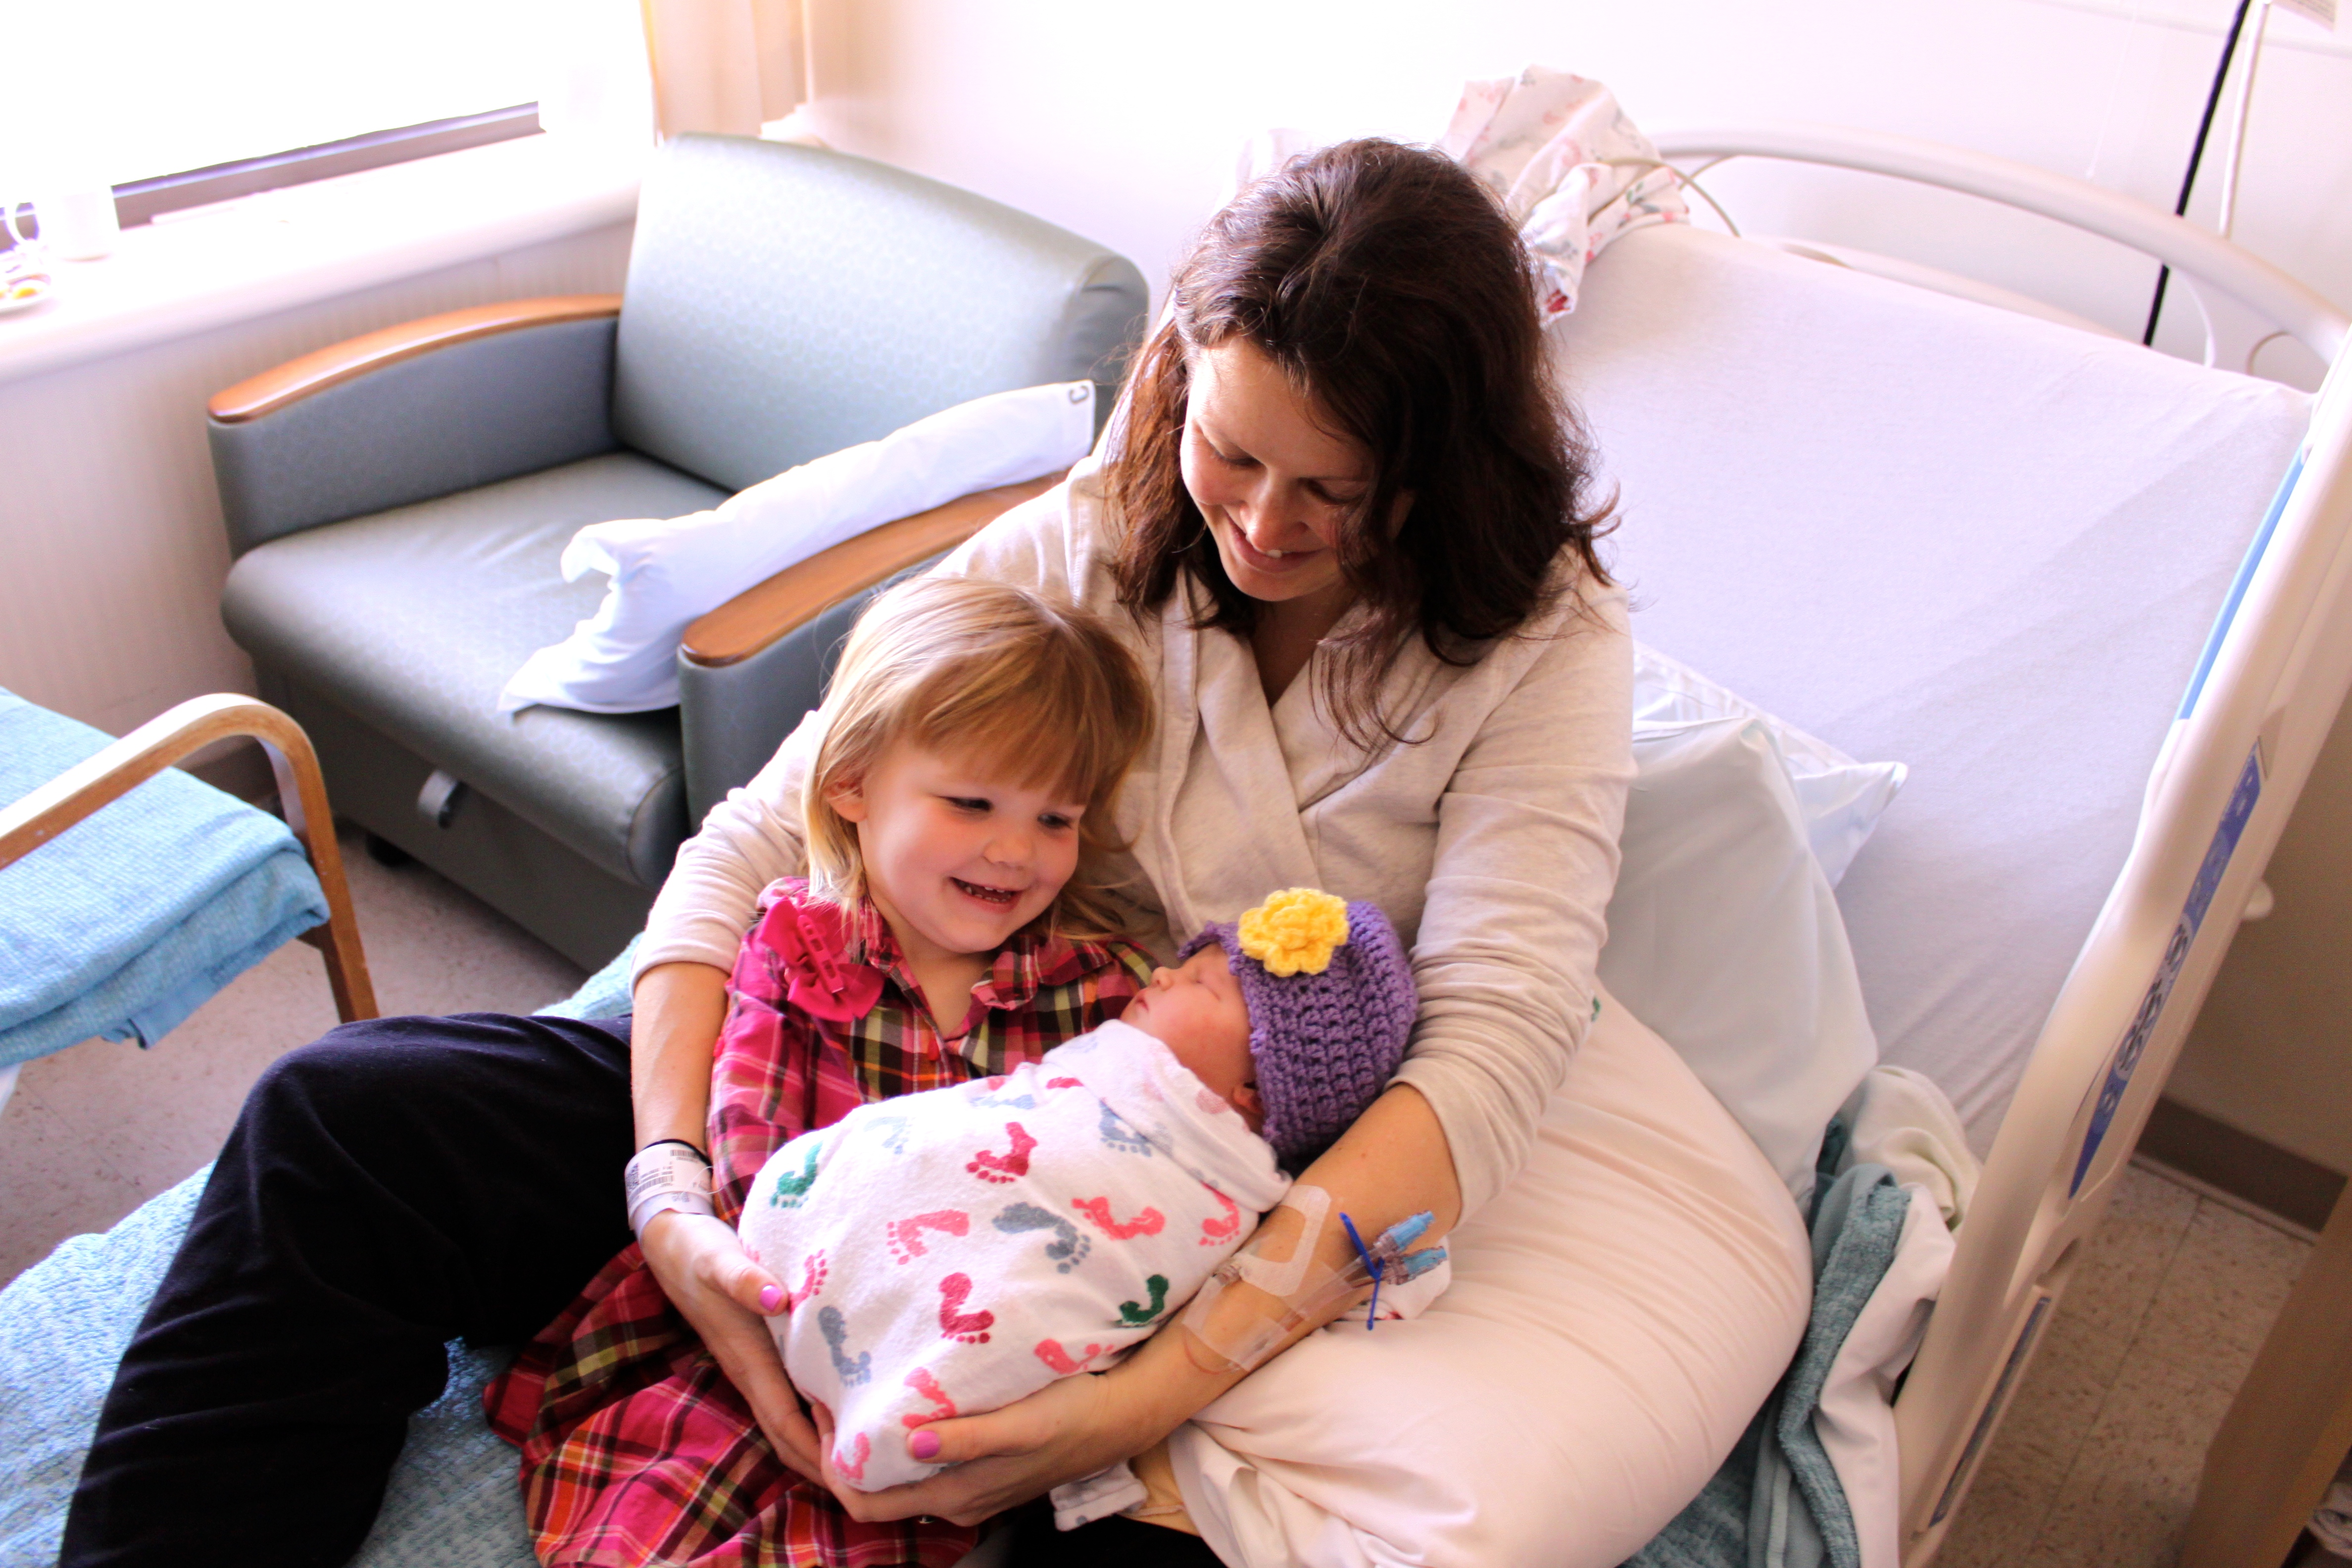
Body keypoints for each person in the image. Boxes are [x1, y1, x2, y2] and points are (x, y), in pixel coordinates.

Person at [64, 137, 1639, 1568]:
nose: (1263, 524)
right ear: (1181, 378)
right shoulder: (1094, 533)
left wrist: (1144, 1397)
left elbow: (1497, 1044)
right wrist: (672, 1190)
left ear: (1441, 476)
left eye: (1334, 492)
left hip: (1133, 1203)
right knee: (343, 1120)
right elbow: (757, 833)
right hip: (860, 1052)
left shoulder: (1542, 653)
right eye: (1232, 452)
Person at [489, 572, 1167, 1567]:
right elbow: (749, 1159)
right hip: (777, 1322)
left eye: (1057, 820)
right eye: (972, 802)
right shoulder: (798, 945)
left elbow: (1131, 1184)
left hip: (975, 1367)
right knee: (663, 1520)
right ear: (852, 784)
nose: (1016, 851)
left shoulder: (1101, 991)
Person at [739, 890, 1422, 1501]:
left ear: (1256, 1088)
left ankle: (907, 1391)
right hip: (907, 1200)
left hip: (1036, 1258)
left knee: (1014, 1295)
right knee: (917, 1158)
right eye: (1182, 966)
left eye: (1201, 984)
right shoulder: (1104, 1059)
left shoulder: (1231, 1182)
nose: (1162, 975)